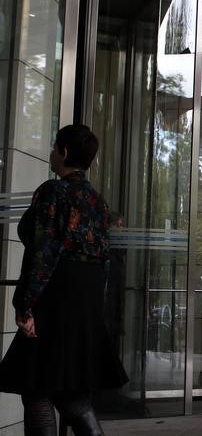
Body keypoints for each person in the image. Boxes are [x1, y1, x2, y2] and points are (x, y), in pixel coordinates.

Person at [0, 125, 128, 435]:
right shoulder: (99, 202)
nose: (51, 153)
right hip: (86, 295)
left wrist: (25, 305)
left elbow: (44, 251)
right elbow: (105, 257)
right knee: (71, 390)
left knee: (38, 386)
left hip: (56, 292)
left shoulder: (53, 191)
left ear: (64, 153)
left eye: (55, 147)